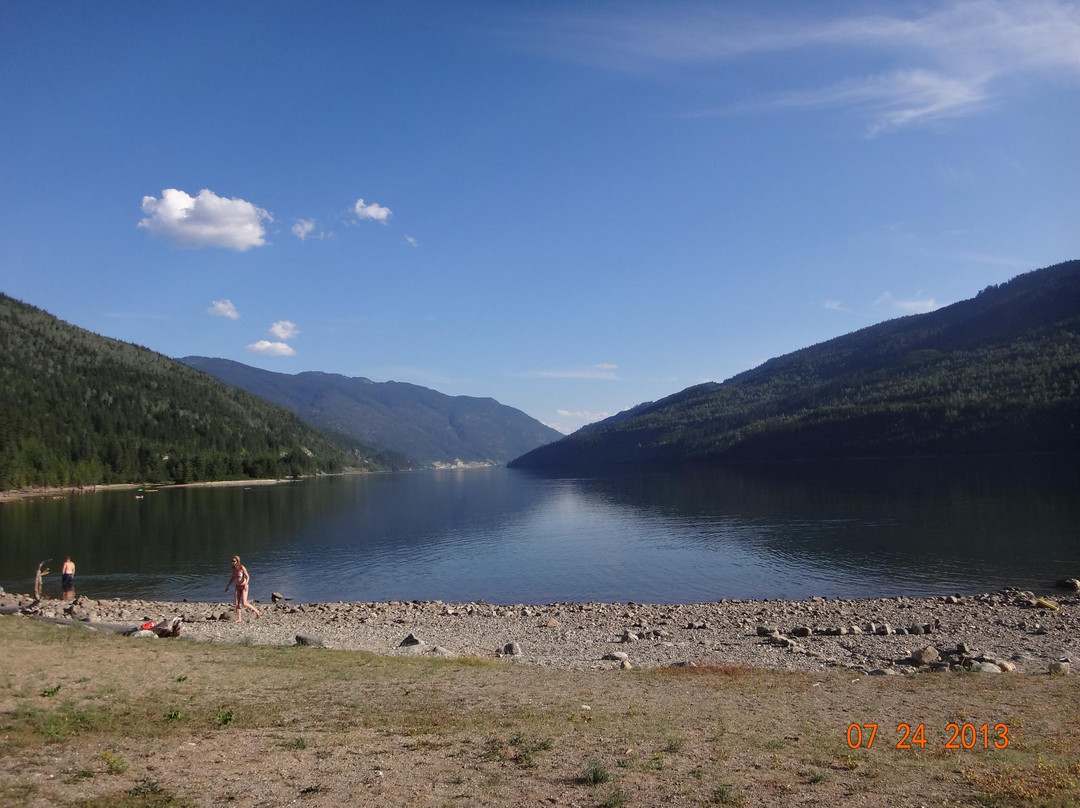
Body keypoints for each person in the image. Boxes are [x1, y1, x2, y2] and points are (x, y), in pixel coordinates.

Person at [225, 555, 260, 622]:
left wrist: (246, 584)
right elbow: (232, 578)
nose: (232, 562)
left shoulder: (241, 567)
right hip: (237, 587)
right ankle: (239, 618)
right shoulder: (233, 568)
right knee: (236, 603)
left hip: (244, 586)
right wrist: (228, 586)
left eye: (234, 561)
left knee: (244, 603)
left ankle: (257, 611)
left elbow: (248, 577)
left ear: (237, 561)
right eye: (231, 561)